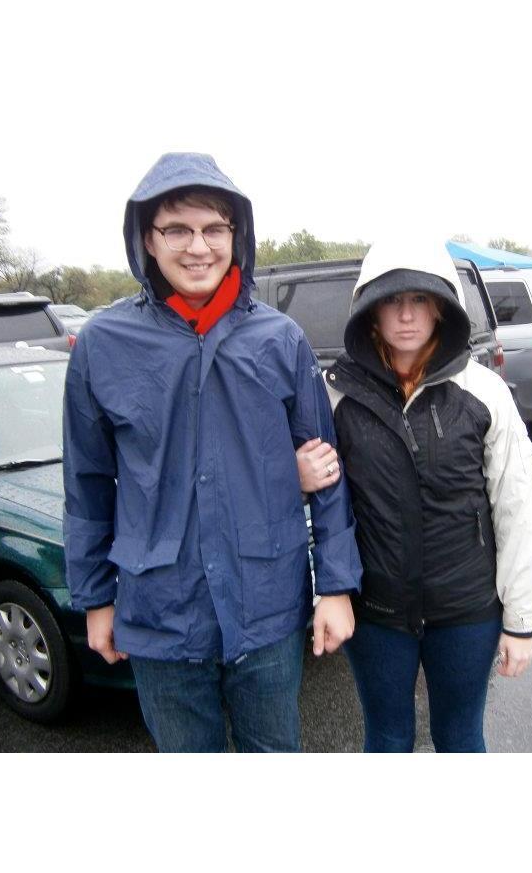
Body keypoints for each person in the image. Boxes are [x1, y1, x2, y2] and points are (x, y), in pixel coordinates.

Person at [62, 153, 361, 752]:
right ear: (148, 239)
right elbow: (88, 485)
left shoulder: (280, 340)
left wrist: (335, 586)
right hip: (158, 609)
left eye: (214, 229)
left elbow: (326, 472)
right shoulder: (103, 344)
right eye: (177, 229)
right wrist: (95, 599)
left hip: (267, 605)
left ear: (236, 236)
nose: (198, 247)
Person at [296, 241, 532, 752]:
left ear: (442, 307)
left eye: (420, 299)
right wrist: (293, 476)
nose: (406, 315)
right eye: (391, 301)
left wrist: (520, 620)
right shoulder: (335, 394)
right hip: (377, 612)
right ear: (370, 309)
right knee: (387, 738)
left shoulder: (485, 392)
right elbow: (318, 500)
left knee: (459, 736)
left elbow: (517, 506)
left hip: (466, 613)